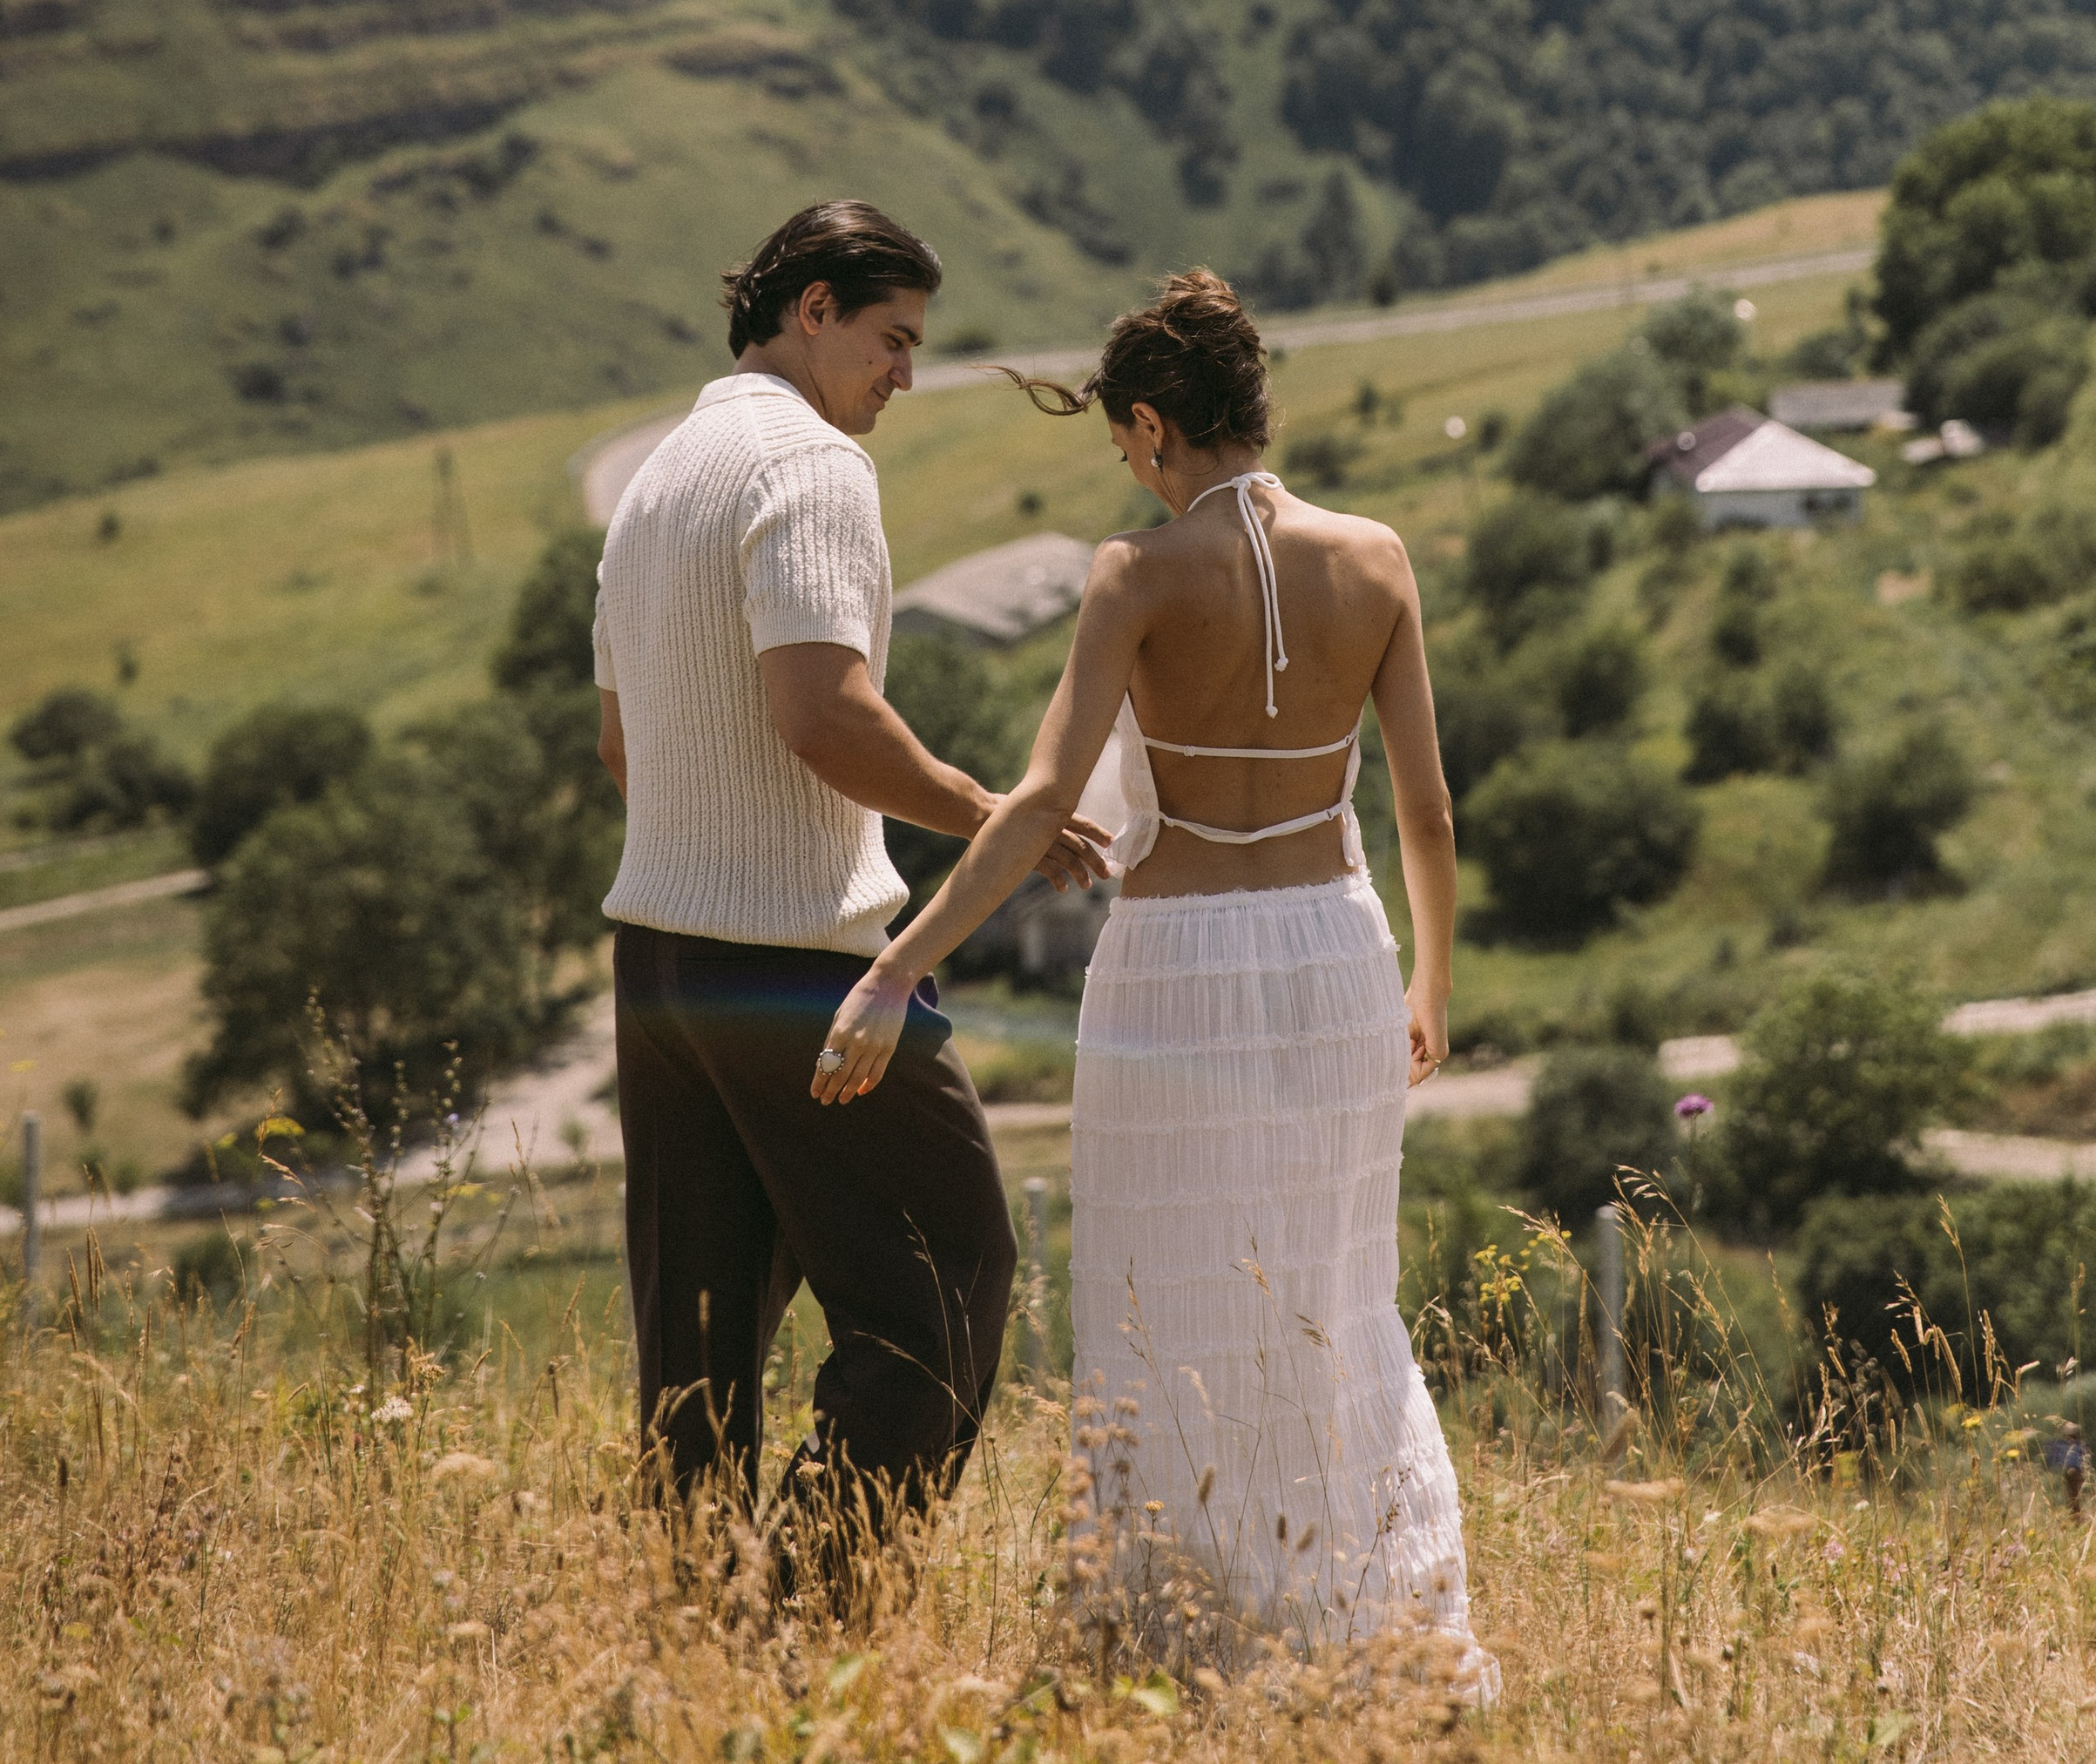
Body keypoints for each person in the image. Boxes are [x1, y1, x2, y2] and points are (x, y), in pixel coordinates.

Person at [812, 268, 1489, 1693]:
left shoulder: (1134, 572)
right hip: (1334, 961)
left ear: (1149, 422)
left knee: (1166, 1300)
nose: (1129, 466)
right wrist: (1432, 979)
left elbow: (1041, 797)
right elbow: (1424, 810)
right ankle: (1359, 1616)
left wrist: (898, 967)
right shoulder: (1376, 556)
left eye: (1125, 443)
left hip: (1175, 968)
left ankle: (1175, 1630)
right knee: (1329, 1288)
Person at [592, 196, 1107, 1565]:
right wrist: (994, 814)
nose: (906, 374)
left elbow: (618, 742)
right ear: (810, 308)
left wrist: (708, 861)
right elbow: (825, 714)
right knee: (944, 1289)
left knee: (697, 1339)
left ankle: (682, 1625)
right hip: (805, 966)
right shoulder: (814, 470)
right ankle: (809, 1605)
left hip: (658, 963)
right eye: (891, 338)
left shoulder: (656, 477)